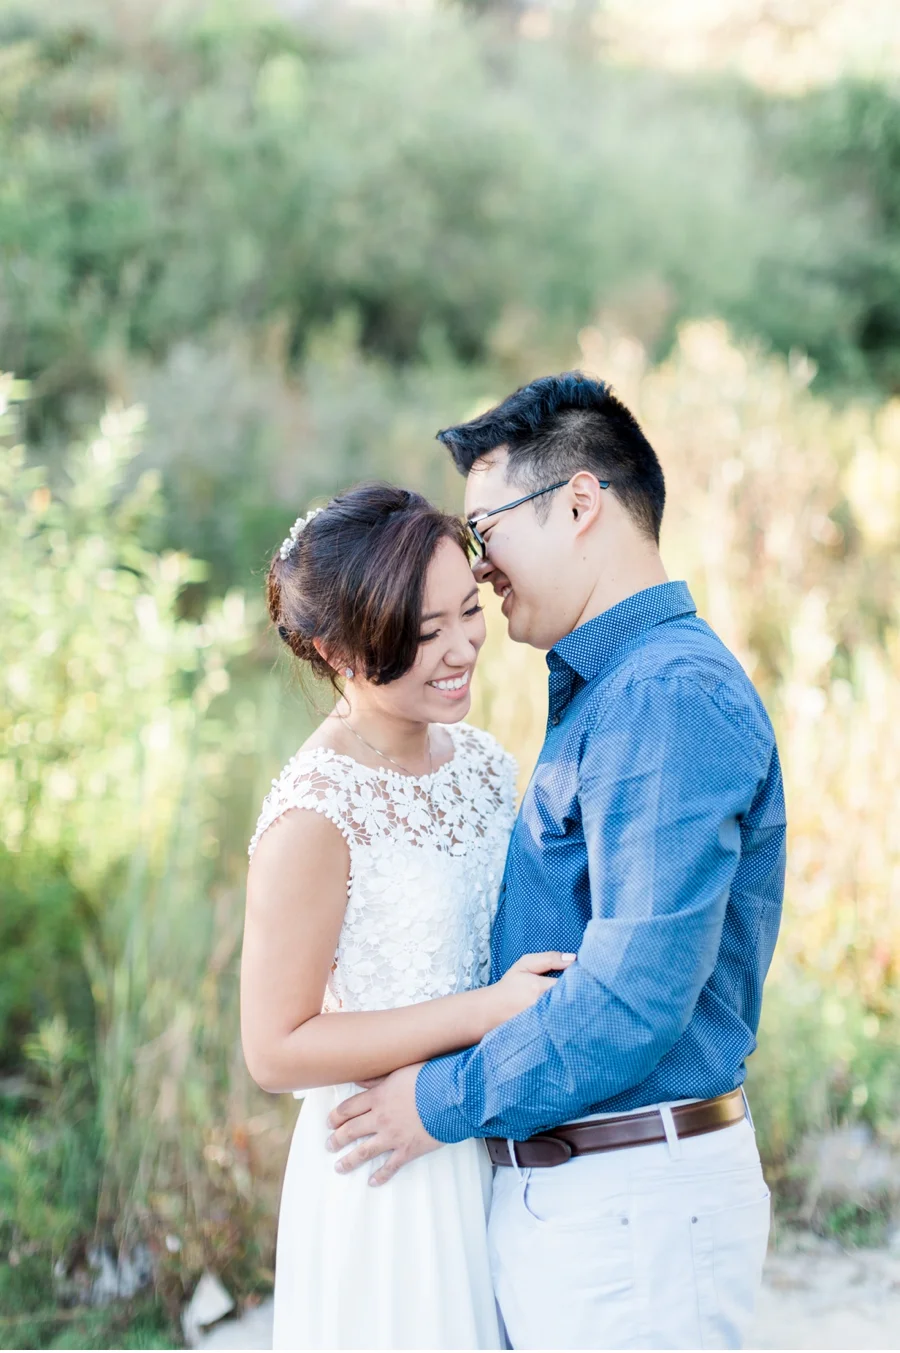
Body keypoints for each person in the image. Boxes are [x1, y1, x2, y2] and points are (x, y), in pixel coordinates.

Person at [325, 374, 787, 1351]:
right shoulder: (618, 687)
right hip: (599, 1203)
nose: (482, 570)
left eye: (486, 533)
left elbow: (631, 995)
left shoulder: (662, 698)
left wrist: (438, 1102)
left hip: (635, 1210)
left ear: (580, 503)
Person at [241, 483, 572, 1350]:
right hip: (385, 1171)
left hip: (487, 1133)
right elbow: (274, 1047)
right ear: (336, 648)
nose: (462, 645)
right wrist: (485, 1010)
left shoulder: (482, 764)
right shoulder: (315, 813)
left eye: (467, 608)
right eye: (424, 634)